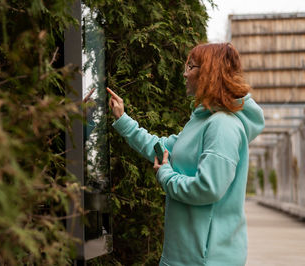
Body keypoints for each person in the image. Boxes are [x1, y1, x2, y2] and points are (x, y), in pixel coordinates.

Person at [106, 43, 265, 266]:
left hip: (205, 260)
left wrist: (166, 176)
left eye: (190, 66)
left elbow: (207, 188)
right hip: (186, 256)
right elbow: (162, 148)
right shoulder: (204, 121)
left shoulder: (223, 126)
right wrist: (123, 120)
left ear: (208, 72)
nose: (184, 73)